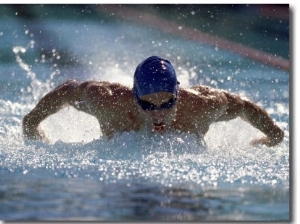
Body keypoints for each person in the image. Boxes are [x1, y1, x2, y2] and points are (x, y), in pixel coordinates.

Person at [22, 56, 284, 147]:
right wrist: (31, 123)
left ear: (178, 96)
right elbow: (69, 90)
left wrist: (272, 134)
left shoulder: (201, 106)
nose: (157, 113)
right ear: (134, 97)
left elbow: (240, 105)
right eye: (148, 104)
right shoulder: (110, 102)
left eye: (166, 103)